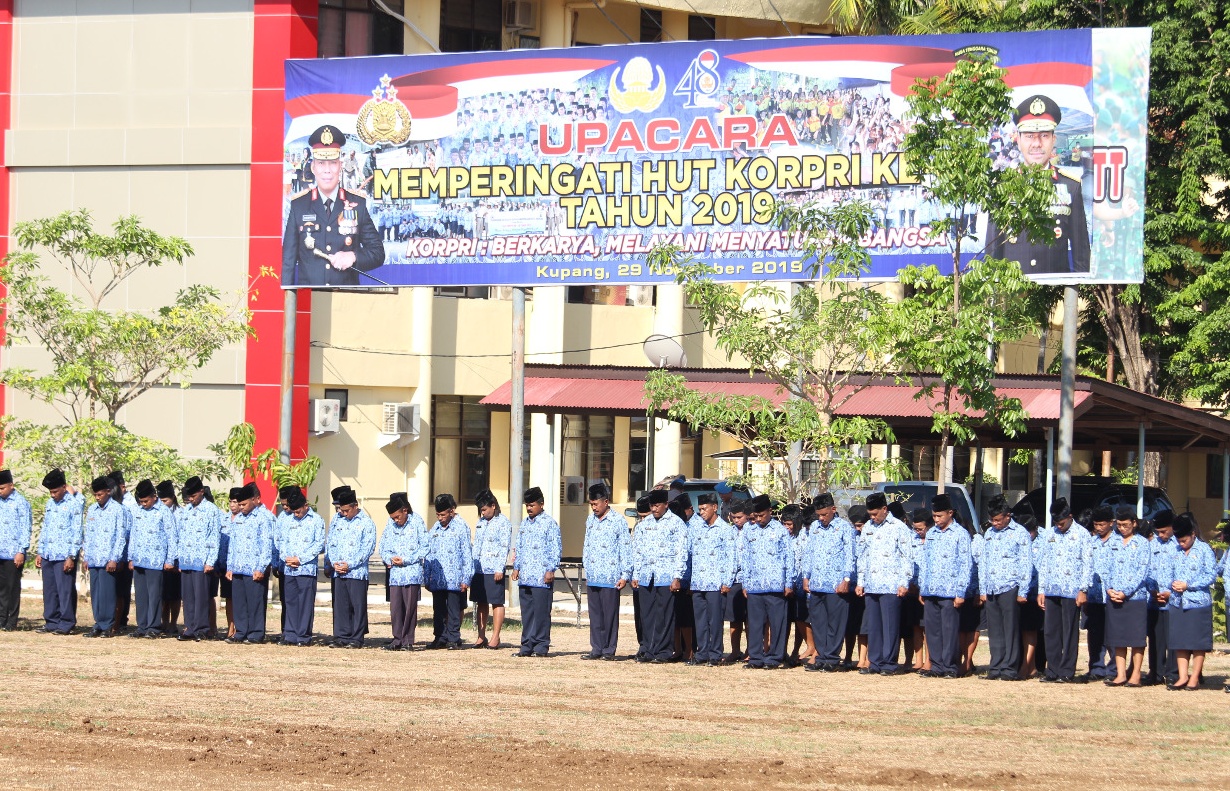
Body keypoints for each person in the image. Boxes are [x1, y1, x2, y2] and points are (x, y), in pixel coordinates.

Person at [985, 94, 1090, 275]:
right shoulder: (1002, 187)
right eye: (1029, 136)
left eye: (1043, 135)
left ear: (1053, 140)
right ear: (1018, 139)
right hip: (1012, 292)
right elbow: (993, 250)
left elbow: (1081, 253)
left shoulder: (1071, 186)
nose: (1036, 144)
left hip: (1054, 294)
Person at [281, 124, 386, 287]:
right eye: (321, 163)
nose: (327, 170)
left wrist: (353, 256)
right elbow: (287, 262)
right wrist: (287, 305)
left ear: (340, 166)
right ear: (313, 167)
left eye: (332, 163)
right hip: (309, 304)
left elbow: (378, 253)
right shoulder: (298, 206)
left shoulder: (357, 204)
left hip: (347, 302)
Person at [1036, 498, 1093, 683]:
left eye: (1062, 523)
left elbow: (1088, 564)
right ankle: (1052, 670)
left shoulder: (1082, 534)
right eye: (1056, 523)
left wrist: (1083, 589)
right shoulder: (1050, 534)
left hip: (1072, 590)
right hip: (1052, 589)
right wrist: (1041, 589)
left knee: (1069, 633)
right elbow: (1044, 562)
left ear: (1070, 517)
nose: (1059, 526)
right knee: (1051, 632)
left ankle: (1066, 671)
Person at [856, 493, 913, 676]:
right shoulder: (867, 528)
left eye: (875, 514)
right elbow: (862, 556)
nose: (872, 518)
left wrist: (904, 582)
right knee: (874, 626)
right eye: (870, 514)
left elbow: (907, 557)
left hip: (891, 584)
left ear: (884, 509)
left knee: (890, 626)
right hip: (872, 584)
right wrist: (860, 581)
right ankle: (875, 661)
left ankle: (889, 663)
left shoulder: (899, 528)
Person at [1159, 514, 1215, 691]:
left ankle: (1195, 677)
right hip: (1177, 602)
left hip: (1198, 602)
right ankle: (1182, 676)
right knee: (1180, 641)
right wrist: (1172, 584)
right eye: (1179, 541)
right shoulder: (1173, 550)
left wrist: (1189, 585)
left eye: (1184, 540)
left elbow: (1211, 575)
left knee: (1197, 643)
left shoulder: (1204, 550)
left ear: (1193, 534)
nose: (1181, 544)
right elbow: (1166, 572)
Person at [918, 494, 971, 679]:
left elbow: (965, 564)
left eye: (940, 516)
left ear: (950, 513)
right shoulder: (931, 533)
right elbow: (925, 562)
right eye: (934, 516)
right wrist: (922, 587)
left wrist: (960, 592)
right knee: (932, 630)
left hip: (950, 591)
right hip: (931, 589)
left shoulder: (960, 534)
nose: (936, 520)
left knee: (949, 631)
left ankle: (950, 666)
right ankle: (936, 665)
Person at [801, 492, 856, 672]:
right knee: (818, 623)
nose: (822, 518)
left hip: (836, 585)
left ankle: (831, 658)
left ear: (833, 509)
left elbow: (850, 555)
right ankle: (821, 656)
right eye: (819, 515)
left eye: (824, 514)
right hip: (817, 583)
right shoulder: (815, 527)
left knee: (835, 623)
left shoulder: (844, 528)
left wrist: (846, 578)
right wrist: (806, 576)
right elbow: (808, 553)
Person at [631, 489, 686, 664]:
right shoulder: (644, 524)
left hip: (666, 575)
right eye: (652, 506)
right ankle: (647, 649)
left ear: (665, 505)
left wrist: (677, 576)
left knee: (664, 615)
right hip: (647, 575)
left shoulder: (676, 524)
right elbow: (637, 551)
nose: (654, 509)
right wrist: (636, 574)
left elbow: (681, 552)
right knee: (646, 614)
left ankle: (663, 651)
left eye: (657, 505)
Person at [979, 495, 1031, 681]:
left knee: (1010, 630)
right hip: (992, 587)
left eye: (998, 519)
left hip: (1010, 587)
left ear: (1008, 516)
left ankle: (1009, 668)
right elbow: (983, 562)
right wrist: (983, 589)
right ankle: (996, 667)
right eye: (992, 520)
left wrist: (1023, 591)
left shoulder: (1020, 533)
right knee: (995, 631)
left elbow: (1026, 564)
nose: (995, 523)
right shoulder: (990, 534)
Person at [739, 494, 793, 670]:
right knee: (754, 624)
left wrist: (788, 583)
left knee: (777, 623)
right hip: (754, 585)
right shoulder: (749, 530)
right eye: (756, 516)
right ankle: (755, 657)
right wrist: (745, 583)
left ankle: (774, 657)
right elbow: (745, 557)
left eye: (762, 515)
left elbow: (788, 558)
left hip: (775, 585)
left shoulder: (780, 531)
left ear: (770, 511)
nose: (759, 519)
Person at [581, 483, 631, 661]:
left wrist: (625, 575)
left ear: (606, 502)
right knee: (595, 615)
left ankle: (609, 649)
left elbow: (625, 548)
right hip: (594, 575)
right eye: (591, 504)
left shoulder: (618, 521)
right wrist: (586, 566)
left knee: (609, 615)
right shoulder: (590, 521)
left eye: (596, 504)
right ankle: (596, 648)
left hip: (611, 577)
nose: (594, 508)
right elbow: (586, 545)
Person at [687, 492, 737, 667]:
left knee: (714, 621)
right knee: (700, 620)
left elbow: (731, 557)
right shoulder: (696, 528)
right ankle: (702, 653)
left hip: (716, 583)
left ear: (714, 508)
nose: (701, 512)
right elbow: (690, 554)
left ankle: (715, 654)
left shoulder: (725, 530)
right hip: (698, 581)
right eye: (699, 509)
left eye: (704, 509)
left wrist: (727, 581)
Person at [1103, 505, 1150, 687]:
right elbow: (1105, 566)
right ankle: (1120, 674)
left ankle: (1136, 674)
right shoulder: (1112, 542)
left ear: (1134, 524)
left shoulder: (1142, 543)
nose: (1122, 528)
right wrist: (1109, 589)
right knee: (1118, 637)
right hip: (1114, 595)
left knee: (1137, 639)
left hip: (1135, 597)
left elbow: (1142, 571)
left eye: (1126, 525)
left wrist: (1126, 592)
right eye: (1119, 525)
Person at [512, 486, 562, 658]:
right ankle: (526, 645)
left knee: (541, 612)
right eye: (527, 505)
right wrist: (516, 567)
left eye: (532, 505)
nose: (529, 508)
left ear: (541, 504)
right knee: (527, 613)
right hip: (525, 576)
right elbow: (519, 546)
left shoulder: (549, 523)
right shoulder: (525, 523)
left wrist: (550, 569)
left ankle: (541, 645)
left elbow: (555, 548)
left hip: (541, 577)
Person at [325, 485, 376, 648]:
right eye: (341, 510)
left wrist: (350, 564)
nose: (343, 513)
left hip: (356, 572)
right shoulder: (337, 520)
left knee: (357, 605)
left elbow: (368, 548)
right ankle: (341, 636)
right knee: (341, 606)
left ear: (355, 506)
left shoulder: (366, 523)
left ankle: (356, 637)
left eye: (346, 510)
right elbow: (330, 543)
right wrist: (334, 563)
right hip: (338, 570)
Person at [127, 479, 178, 638]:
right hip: (139, 559)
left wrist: (170, 559)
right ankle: (141, 626)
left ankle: (153, 627)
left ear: (154, 497)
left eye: (146, 501)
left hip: (156, 561)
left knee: (154, 595)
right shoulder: (138, 511)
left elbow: (172, 537)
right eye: (141, 501)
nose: (143, 504)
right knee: (141, 596)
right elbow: (133, 535)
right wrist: (130, 557)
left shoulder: (164, 511)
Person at [225, 483, 273, 644]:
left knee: (255, 602)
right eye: (239, 505)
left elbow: (266, 545)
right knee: (239, 602)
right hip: (238, 567)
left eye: (244, 504)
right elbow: (232, 544)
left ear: (255, 500)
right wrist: (229, 567)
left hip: (254, 569)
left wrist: (261, 568)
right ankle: (241, 631)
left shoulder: (263, 518)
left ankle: (255, 633)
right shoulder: (238, 519)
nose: (241, 507)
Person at [175, 476, 222, 642]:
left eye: (193, 496)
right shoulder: (186, 511)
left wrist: (210, 561)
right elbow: (180, 536)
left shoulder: (211, 510)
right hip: (187, 560)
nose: (191, 499)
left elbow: (214, 537)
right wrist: (180, 559)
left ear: (201, 492)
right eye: (189, 496)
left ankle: (202, 628)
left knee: (201, 597)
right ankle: (189, 627)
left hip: (202, 561)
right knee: (187, 598)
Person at [379, 493, 428, 651]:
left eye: (397, 517)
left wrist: (406, 559)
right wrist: (388, 559)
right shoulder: (390, 524)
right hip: (395, 575)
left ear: (405, 510)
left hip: (411, 572)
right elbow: (383, 546)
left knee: (409, 609)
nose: (395, 520)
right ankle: (397, 639)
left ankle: (408, 640)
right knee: (396, 609)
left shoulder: (417, 521)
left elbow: (425, 546)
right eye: (393, 518)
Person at [36, 469, 82, 635]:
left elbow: (77, 532)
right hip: (49, 553)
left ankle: (67, 622)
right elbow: (45, 528)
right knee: (49, 590)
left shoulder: (73, 505)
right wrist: (40, 552)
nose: (52, 495)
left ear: (64, 487)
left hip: (64, 555)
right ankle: (51, 621)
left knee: (65, 591)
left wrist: (71, 556)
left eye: (55, 491)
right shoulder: (50, 504)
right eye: (50, 492)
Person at [277, 488, 324, 646]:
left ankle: (303, 636)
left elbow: (318, 544)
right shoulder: (288, 520)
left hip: (306, 569)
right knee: (290, 601)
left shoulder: (317, 520)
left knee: (304, 603)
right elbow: (281, 541)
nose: (295, 514)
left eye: (298, 511)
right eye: (293, 512)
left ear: (305, 505)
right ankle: (290, 634)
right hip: (289, 569)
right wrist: (286, 558)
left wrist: (300, 559)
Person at [83, 476, 128, 638]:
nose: (97, 497)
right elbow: (88, 535)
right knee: (96, 594)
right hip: (94, 558)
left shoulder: (118, 509)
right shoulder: (92, 510)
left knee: (108, 594)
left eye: (100, 494)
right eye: (95, 495)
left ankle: (108, 625)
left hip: (108, 559)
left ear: (108, 492)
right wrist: (86, 557)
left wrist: (114, 558)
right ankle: (98, 624)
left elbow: (121, 536)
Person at [425, 493, 471, 649]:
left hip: (455, 578)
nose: (440, 518)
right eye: (437, 514)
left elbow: (466, 553)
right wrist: (427, 576)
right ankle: (440, 637)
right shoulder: (435, 528)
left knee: (453, 610)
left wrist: (466, 578)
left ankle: (453, 638)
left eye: (443, 514)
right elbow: (429, 553)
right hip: (438, 578)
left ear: (452, 511)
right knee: (438, 610)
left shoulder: (461, 527)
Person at [471, 489, 512, 649]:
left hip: (494, 569)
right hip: (479, 569)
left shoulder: (503, 522)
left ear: (493, 506)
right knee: (481, 603)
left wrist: (499, 568)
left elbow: (504, 546)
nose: (482, 513)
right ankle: (481, 636)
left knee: (496, 602)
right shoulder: (480, 522)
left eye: (484, 509)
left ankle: (496, 636)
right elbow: (476, 546)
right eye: (480, 510)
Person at [1145, 509, 1178, 686]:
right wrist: (1152, 591)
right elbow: (1147, 570)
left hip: (1173, 600)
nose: (1161, 535)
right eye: (1158, 532)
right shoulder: (1152, 545)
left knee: (1173, 638)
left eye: (1164, 531)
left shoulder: (1179, 544)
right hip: (1155, 601)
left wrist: (1171, 593)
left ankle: (1173, 673)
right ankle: (1155, 672)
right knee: (1156, 638)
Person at [1084, 505, 1117, 680]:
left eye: (1102, 524)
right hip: (1094, 597)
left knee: (1112, 633)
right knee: (1095, 634)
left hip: (1112, 597)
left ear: (1111, 523)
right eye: (1096, 525)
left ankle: (1113, 669)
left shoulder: (1118, 542)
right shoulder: (1091, 542)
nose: (1098, 528)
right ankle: (1096, 667)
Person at [780, 504, 814, 667]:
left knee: (801, 619)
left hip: (800, 585)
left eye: (790, 524)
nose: (787, 528)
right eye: (784, 524)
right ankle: (787, 651)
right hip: (786, 585)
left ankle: (806, 648)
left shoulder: (803, 537)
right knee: (787, 620)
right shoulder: (782, 537)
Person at [0, 469, 32, 631]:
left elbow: (26, 528)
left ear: (11, 485)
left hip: (13, 553)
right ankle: (1, 618)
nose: (0, 491)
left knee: (12, 587)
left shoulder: (21, 502)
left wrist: (21, 550)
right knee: (1, 588)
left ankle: (11, 621)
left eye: (2, 488)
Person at [668, 497, 698, 661]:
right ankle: (677, 649)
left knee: (686, 618)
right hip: (672, 578)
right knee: (675, 617)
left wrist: (691, 582)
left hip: (687, 579)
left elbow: (693, 557)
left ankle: (689, 650)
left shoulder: (691, 528)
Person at [722, 499, 750, 664]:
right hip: (732, 580)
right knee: (734, 619)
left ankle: (750, 649)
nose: (737, 520)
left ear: (746, 516)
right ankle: (735, 650)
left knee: (749, 619)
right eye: (733, 517)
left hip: (746, 580)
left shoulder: (751, 531)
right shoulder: (729, 532)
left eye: (739, 517)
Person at [108, 470, 137, 634]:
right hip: (111, 554)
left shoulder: (130, 504)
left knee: (122, 590)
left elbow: (129, 532)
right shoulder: (112, 502)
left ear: (121, 487)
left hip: (125, 554)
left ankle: (121, 621)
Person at [843, 504, 870, 671]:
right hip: (851, 587)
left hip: (866, 587)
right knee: (849, 626)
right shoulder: (851, 536)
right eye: (855, 525)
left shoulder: (872, 535)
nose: (857, 528)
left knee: (864, 626)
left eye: (860, 525)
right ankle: (847, 656)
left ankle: (863, 658)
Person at [903, 508, 930, 672]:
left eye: (921, 528)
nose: (918, 531)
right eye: (915, 528)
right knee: (916, 627)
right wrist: (910, 583)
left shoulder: (934, 538)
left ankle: (929, 660)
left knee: (928, 628)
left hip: (927, 590)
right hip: (912, 590)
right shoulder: (911, 539)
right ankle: (918, 660)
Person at [156, 480, 183, 636]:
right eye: (160, 500)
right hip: (161, 559)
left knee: (174, 595)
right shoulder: (158, 512)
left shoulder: (180, 514)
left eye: (165, 501)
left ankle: (173, 623)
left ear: (173, 498)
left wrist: (174, 559)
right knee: (163, 595)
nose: (163, 503)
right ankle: (163, 622)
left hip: (176, 561)